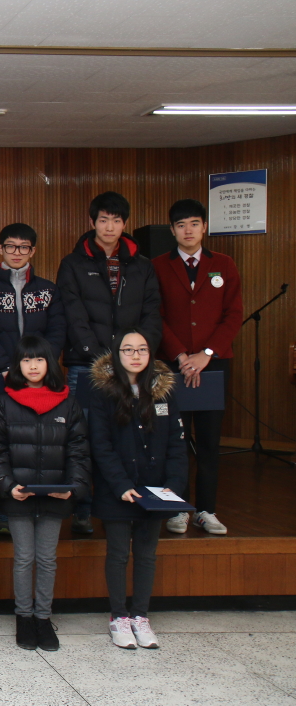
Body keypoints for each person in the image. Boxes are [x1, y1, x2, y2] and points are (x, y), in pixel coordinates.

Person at [57, 192, 161, 535]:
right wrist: (103, 358)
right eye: (103, 220)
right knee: (84, 438)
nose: (110, 227)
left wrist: (133, 354)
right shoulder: (73, 264)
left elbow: (152, 314)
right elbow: (73, 315)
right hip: (86, 365)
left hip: (133, 367)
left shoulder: (142, 265)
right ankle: (84, 508)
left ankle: (125, 502)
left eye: (116, 220)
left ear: (125, 224)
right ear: (92, 222)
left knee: (127, 437)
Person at [0, 335, 90, 652]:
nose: (33, 366)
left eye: (40, 359)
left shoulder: (68, 402)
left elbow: (79, 451)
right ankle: (24, 618)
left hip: (55, 496)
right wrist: (8, 485)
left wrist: (72, 488)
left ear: (50, 363)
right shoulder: (4, 402)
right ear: (17, 365)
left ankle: (43, 618)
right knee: (24, 558)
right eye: (26, 359)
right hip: (18, 495)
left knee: (46, 559)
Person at [87, 330, 187, 650]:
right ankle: (119, 616)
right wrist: (121, 485)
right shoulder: (103, 392)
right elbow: (100, 445)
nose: (135, 355)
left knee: (146, 554)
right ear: (117, 354)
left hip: (155, 490)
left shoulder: (163, 392)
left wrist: (173, 486)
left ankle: (140, 615)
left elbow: (177, 444)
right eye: (128, 350)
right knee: (118, 554)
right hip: (117, 489)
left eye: (142, 349)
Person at [0, 222, 66, 536]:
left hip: (42, 379)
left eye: (24, 247)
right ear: (0, 249)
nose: (17, 252)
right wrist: (8, 368)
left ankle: (41, 503)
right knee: (3, 443)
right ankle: (5, 509)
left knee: (41, 442)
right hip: (1, 377)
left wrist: (41, 367)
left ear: (32, 251)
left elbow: (58, 331)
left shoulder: (48, 291)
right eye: (10, 246)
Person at [153, 198, 243, 536]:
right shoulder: (158, 266)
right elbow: (155, 316)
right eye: (181, 225)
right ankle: (178, 508)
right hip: (171, 366)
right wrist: (180, 355)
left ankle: (206, 510)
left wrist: (206, 353)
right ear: (172, 230)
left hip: (213, 366)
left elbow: (233, 314)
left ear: (204, 227)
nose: (188, 230)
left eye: (194, 223)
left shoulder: (224, 264)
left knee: (208, 443)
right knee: (173, 441)